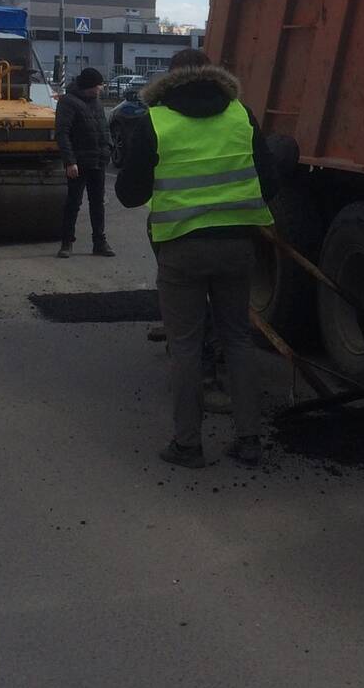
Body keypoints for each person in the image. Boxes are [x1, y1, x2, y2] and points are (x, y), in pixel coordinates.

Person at [115, 48, 279, 469]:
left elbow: (130, 194)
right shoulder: (241, 116)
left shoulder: (156, 121)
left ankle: (187, 445)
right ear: (212, 73)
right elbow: (270, 182)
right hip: (237, 246)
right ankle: (249, 440)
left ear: (170, 78)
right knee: (237, 339)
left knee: (185, 345)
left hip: (182, 249)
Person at [54, 66, 115, 258]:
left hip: (98, 160)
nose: (101, 89)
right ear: (89, 86)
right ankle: (66, 243)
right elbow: (62, 133)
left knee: (98, 203)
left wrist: (108, 148)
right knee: (73, 203)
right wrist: (70, 162)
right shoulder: (68, 102)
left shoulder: (96, 101)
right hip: (78, 163)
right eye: (99, 86)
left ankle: (100, 242)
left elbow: (104, 128)